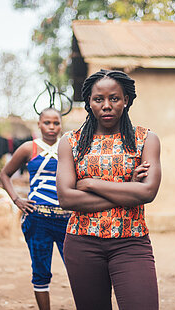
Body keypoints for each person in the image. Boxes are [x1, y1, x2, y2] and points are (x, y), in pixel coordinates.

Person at [56, 69, 161, 310]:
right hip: (82, 243)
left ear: (126, 100)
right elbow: (66, 197)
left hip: (131, 242)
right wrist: (128, 191)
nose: (106, 105)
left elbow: (148, 193)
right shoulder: (71, 142)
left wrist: (91, 184)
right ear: (88, 103)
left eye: (114, 98)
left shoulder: (145, 139)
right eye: (98, 99)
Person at [0, 107, 70, 310]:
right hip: (37, 218)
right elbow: (5, 174)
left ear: (60, 125)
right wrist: (16, 200)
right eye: (47, 122)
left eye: (56, 123)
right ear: (39, 124)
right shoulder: (29, 148)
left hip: (67, 219)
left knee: (79, 269)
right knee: (41, 270)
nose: (51, 127)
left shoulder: (68, 148)